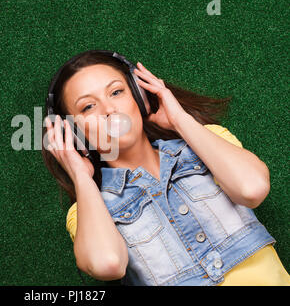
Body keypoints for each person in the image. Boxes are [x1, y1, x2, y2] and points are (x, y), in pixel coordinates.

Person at [41, 50, 289, 286]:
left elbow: (252, 189)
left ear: (139, 96)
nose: (109, 110)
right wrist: (80, 176)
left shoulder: (209, 141)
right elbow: (108, 264)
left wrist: (179, 120)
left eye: (116, 92)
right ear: (72, 133)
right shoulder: (86, 212)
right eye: (88, 107)